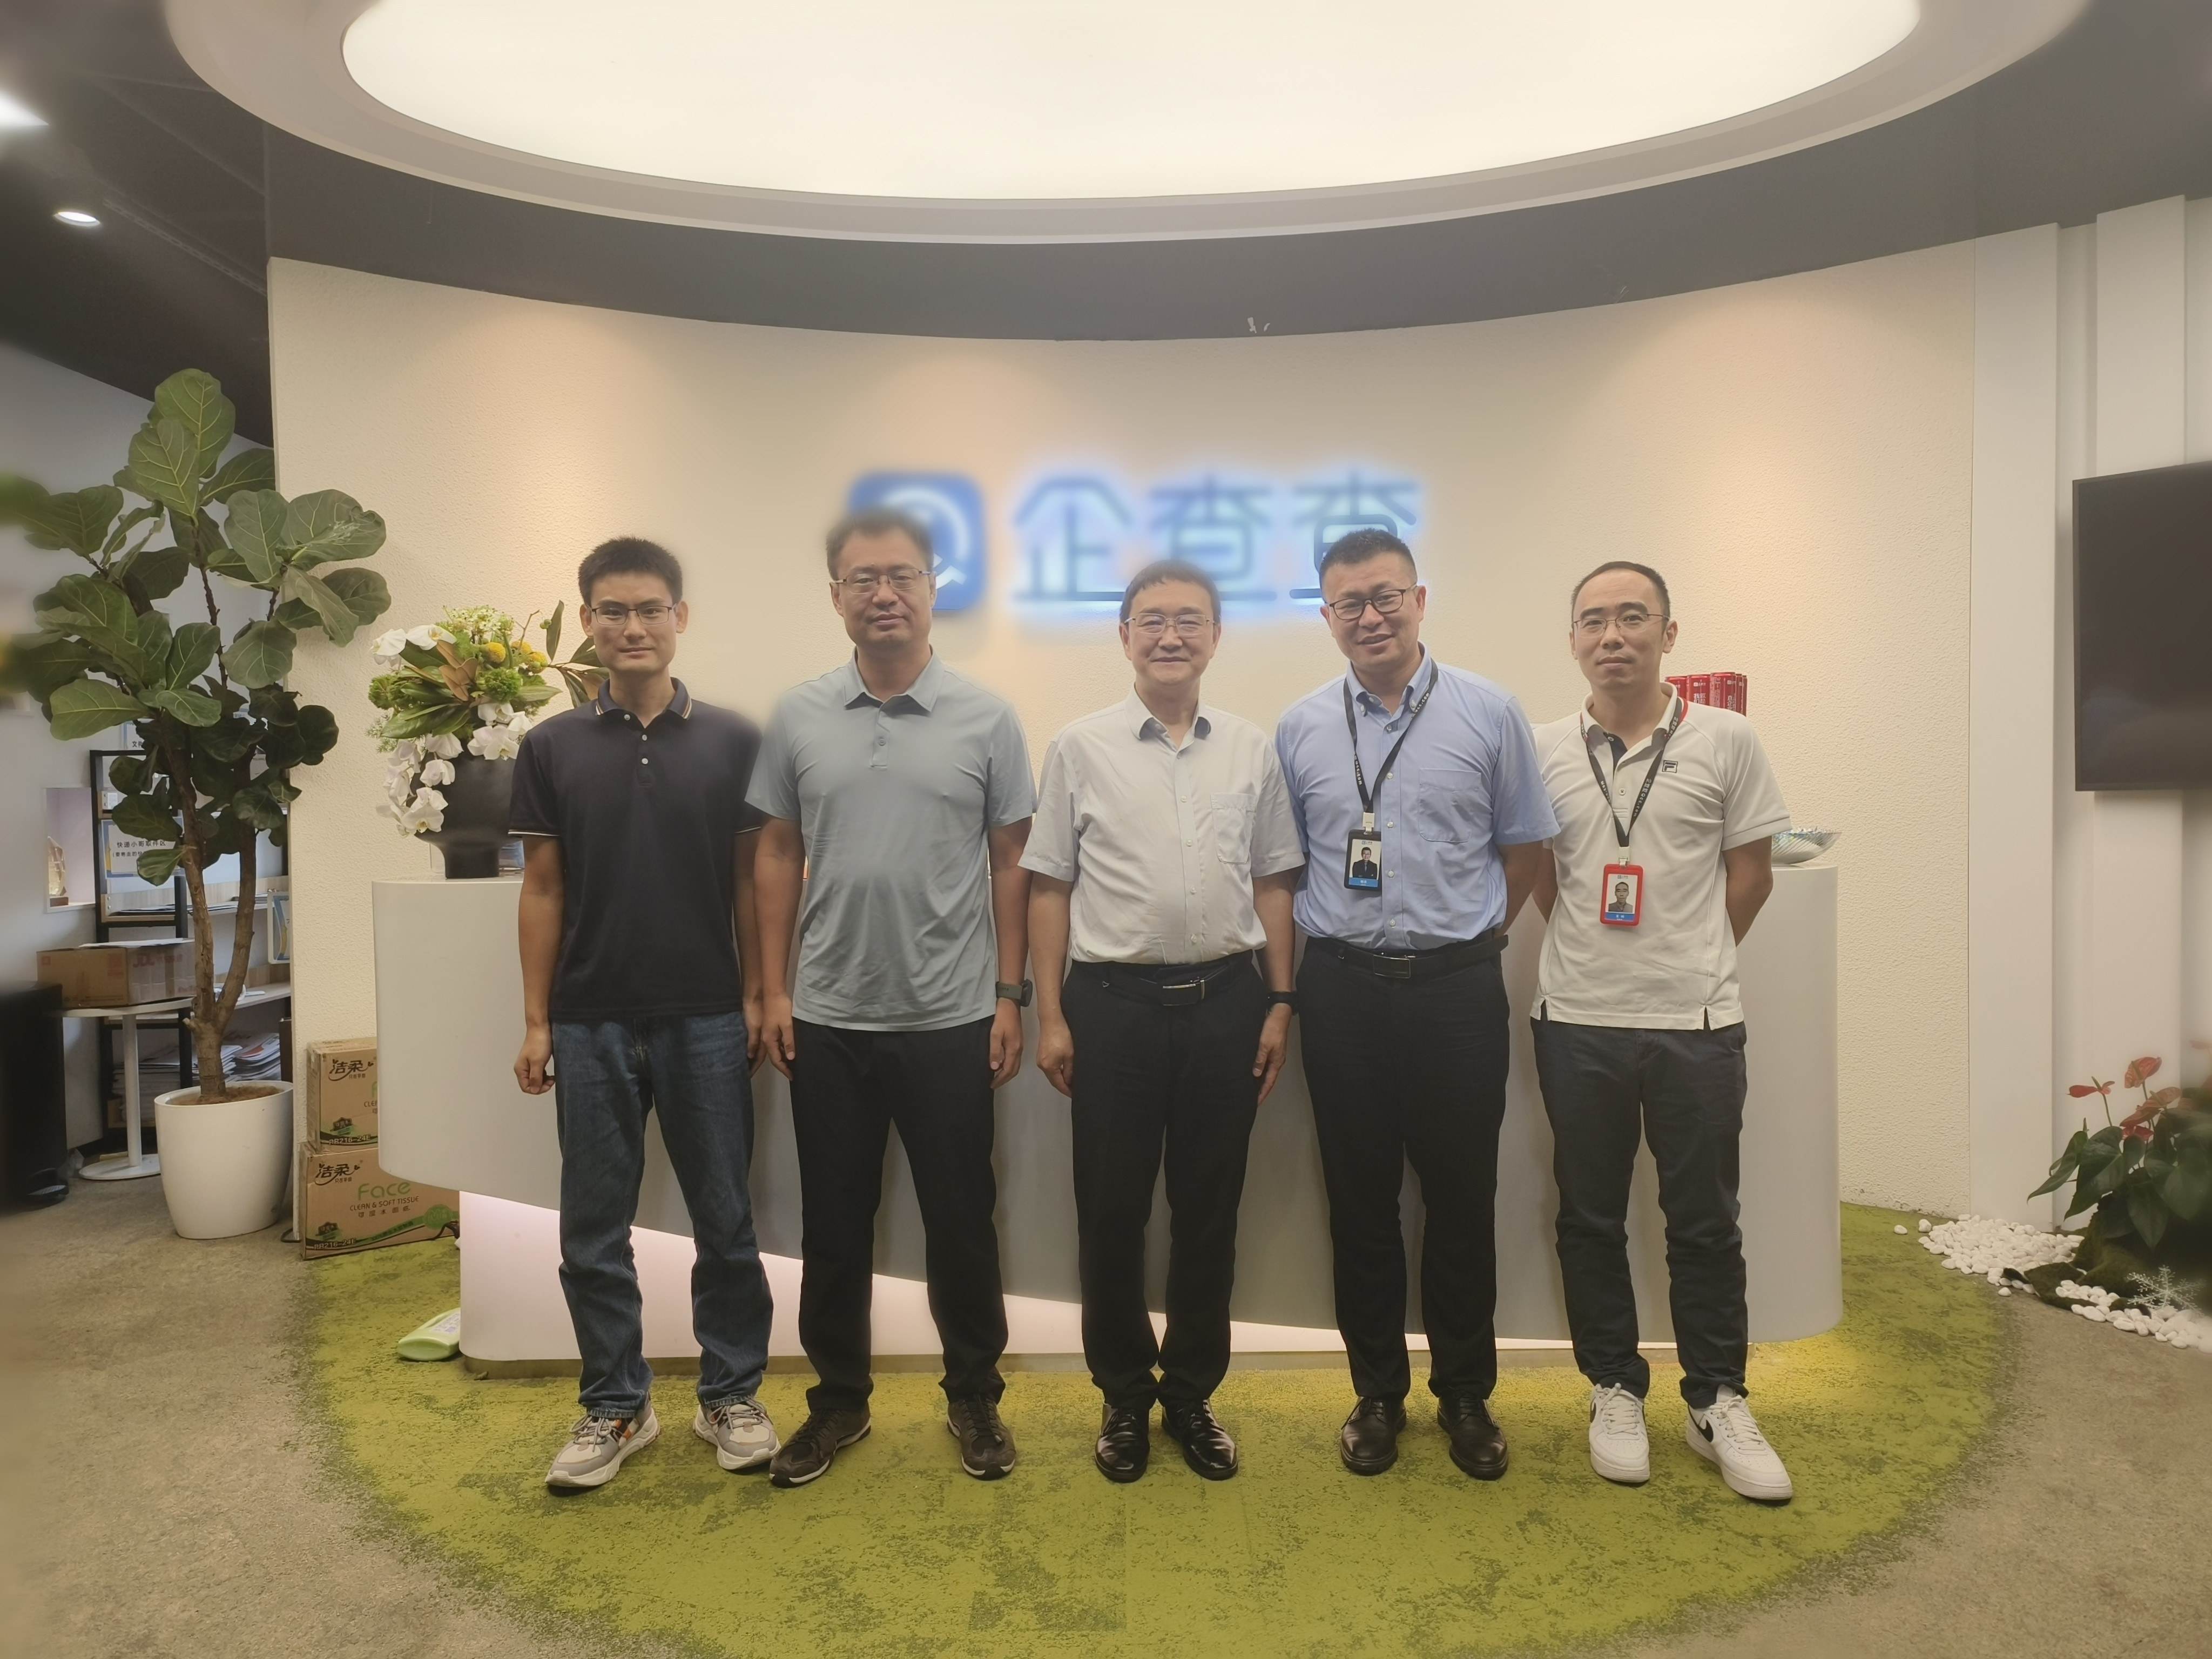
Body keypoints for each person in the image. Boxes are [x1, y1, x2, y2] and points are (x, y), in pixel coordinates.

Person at [751, 505, 1036, 1488]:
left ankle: (975, 1396)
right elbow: (776, 852)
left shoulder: (987, 716)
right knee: (834, 1224)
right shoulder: (798, 715)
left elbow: (1012, 861)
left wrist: (1010, 995)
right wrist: (774, 989)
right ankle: (838, 1402)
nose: (884, 594)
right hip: (828, 1015)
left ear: (931, 587)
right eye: (863, 579)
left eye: (902, 575)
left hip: (952, 1016)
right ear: (836, 596)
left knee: (962, 1219)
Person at [1273, 529, 1557, 1480]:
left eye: (1386, 596)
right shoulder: (1301, 727)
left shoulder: (1490, 711)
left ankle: (1465, 1394)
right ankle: (1377, 1394)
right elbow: (1287, 864)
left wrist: (1472, 936)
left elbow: (1525, 847)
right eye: (1349, 603)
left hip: (1455, 993)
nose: (1371, 616)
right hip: (1342, 991)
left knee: (1461, 1200)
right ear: (1328, 617)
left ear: (1420, 599)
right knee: (1359, 1202)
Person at [1023, 561, 1304, 1484]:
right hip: (1112, 1010)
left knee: (1208, 1213)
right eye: (1151, 620)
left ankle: (1190, 1394)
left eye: (1189, 620)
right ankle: (1121, 1396)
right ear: (1124, 637)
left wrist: (1279, 1001)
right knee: (1110, 1214)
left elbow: (1273, 882)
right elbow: (1050, 887)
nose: (1170, 635)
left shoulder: (1251, 749)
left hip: (1227, 1005)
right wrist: (1051, 1014)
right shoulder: (1079, 747)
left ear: (1216, 636)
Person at [511, 536, 778, 1492]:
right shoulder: (549, 747)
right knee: (592, 1229)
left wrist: (758, 995)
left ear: (680, 618)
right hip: (589, 1019)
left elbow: (751, 882)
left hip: (706, 1015)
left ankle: (730, 1395)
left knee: (726, 1222)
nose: (634, 627)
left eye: (651, 609)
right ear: (588, 621)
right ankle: (617, 1406)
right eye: (614, 611)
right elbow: (543, 888)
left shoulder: (735, 741)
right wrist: (537, 1020)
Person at [1528, 560, 1794, 1503]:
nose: (1613, 636)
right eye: (1593, 620)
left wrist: (1691, 957)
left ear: (1668, 633)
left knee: (1705, 1221)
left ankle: (1717, 1398)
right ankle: (1613, 1387)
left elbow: (1752, 875)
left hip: (1698, 1024)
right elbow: (1544, 878)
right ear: (1572, 639)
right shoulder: (1544, 747)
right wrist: (1602, 954)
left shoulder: (1727, 738)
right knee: (1590, 1216)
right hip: (1578, 1022)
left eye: (1633, 617)